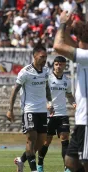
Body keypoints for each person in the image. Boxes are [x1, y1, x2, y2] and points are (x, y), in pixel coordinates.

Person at [6, 43, 54, 172]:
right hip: (29, 110)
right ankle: (34, 170)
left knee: (41, 142)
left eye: (46, 57)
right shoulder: (25, 71)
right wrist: (10, 109)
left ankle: (21, 160)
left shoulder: (45, 71)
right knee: (31, 139)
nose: (44, 60)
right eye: (42, 57)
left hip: (42, 111)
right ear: (34, 56)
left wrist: (50, 102)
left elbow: (47, 88)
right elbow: (15, 90)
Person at [53, 10, 88, 172]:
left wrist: (61, 24)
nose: (76, 42)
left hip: (87, 121)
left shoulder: (86, 56)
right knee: (71, 161)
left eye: (78, 39)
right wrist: (67, 28)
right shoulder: (84, 55)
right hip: (82, 121)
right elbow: (69, 45)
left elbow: (58, 46)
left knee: (85, 163)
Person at [37, 56, 76, 172]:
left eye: (61, 64)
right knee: (46, 141)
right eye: (56, 64)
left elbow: (69, 95)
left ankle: (67, 167)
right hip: (49, 115)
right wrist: (47, 104)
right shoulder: (47, 79)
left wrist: (74, 103)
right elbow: (40, 95)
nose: (59, 66)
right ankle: (39, 164)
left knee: (65, 139)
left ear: (65, 66)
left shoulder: (67, 81)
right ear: (53, 65)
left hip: (62, 114)